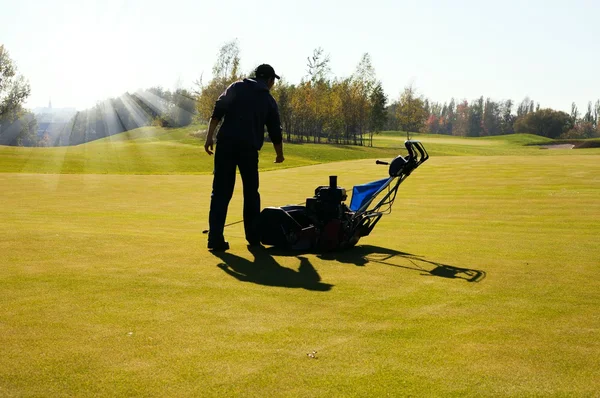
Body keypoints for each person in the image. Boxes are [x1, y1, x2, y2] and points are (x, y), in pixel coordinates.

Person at [204, 64, 284, 251]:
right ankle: (253, 238)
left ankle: (215, 239)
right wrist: (279, 154)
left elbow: (218, 110)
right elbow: (275, 130)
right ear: (270, 81)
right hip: (248, 150)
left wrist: (209, 137)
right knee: (251, 193)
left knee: (221, 192)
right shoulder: (268, 100)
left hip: (225, 146)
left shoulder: (236, 87)